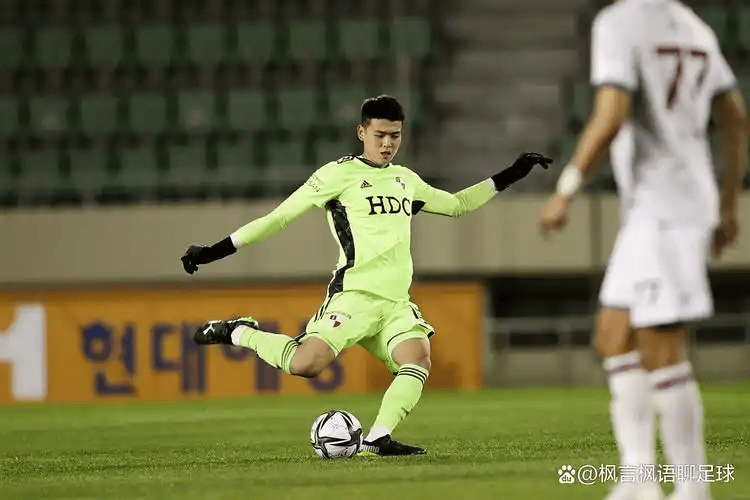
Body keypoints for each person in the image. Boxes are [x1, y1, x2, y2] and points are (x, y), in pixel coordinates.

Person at [181, 95, 551, 456]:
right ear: (362, 132)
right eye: (380, 135)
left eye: (395, 135)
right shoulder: (336, 175)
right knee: (305, 365)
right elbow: (277, 219)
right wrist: (214, 250)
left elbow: (457, 205)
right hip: (353, 296)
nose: (388, 144)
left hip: (395, 303)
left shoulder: (405, 179)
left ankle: (378, 437)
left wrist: (512, 173)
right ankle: (239, 331)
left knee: (418, 359)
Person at [538, 0, 747, 498]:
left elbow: (611, 115)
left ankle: (693, 488)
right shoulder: (694, 27)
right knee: (614, 335)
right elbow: (736, 121)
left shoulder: (619, 22)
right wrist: (726, 205)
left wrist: (566, 189)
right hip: (663, 207)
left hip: (667, 206)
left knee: (661, 348)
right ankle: (639, 481)